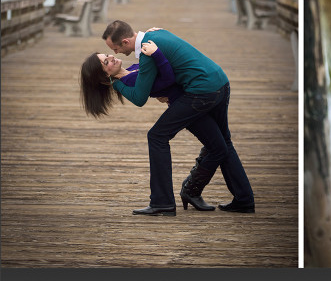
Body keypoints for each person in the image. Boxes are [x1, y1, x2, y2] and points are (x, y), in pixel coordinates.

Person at [102, 20, 254, 215]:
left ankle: (162, 202)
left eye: (115, 48)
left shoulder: (147, 51)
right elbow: (162, 75)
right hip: (220, 81)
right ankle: (244, 199)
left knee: (157, 136)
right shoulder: (157, 34)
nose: (115, 53)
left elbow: (140, 97)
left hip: (201, 91)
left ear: (124, 41)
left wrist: (115, 84)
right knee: (222, 142)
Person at [80, 40, 223, 215]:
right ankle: (167, 199)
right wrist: (156, 54)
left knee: (219, 148)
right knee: (212, 147)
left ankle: (190, 190)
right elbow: (162, 80)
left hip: (193, 99)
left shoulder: (132, 68)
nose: (111, 57)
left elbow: (153, 76)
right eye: (106, 62)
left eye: (108, 55)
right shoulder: (128, 80)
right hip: (186, 105)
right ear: (103, 77)